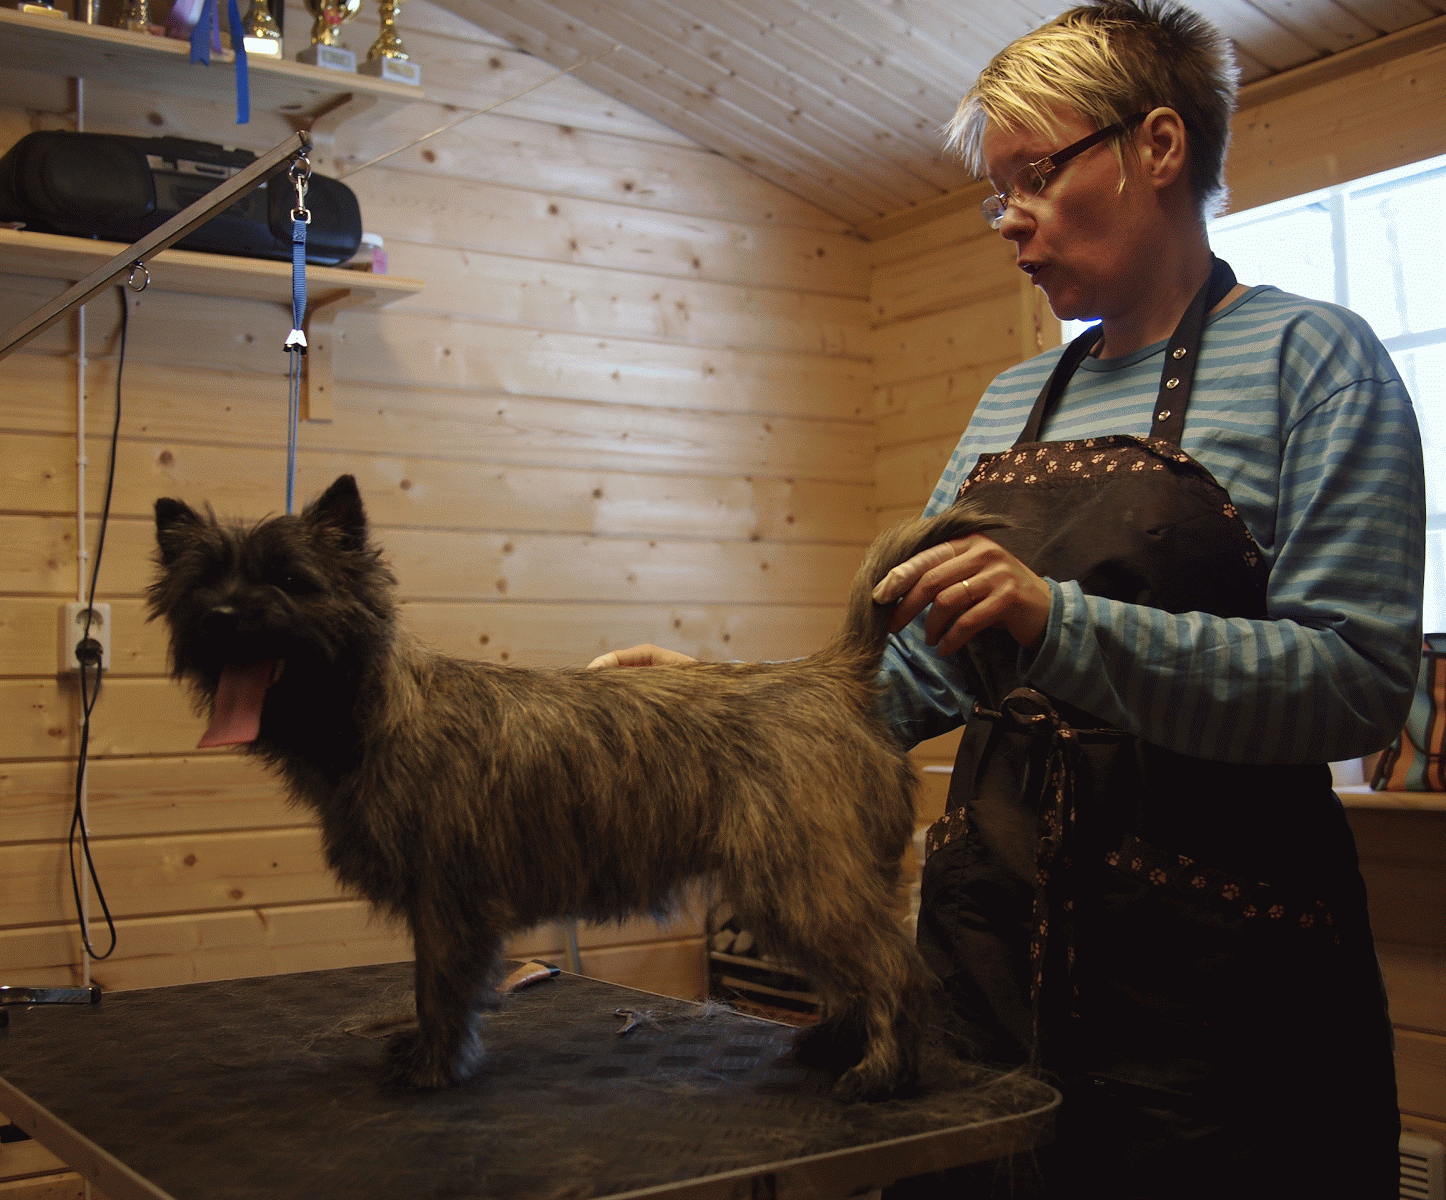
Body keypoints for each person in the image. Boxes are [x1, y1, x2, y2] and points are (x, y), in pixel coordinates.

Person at [594, 2, 1424, 1195]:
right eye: (997, 195)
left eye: (1034, 177)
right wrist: (731, 714)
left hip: (1215, 992)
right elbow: (912, 674)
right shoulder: (1011, 404)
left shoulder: (1315, 361)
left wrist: (1056, 624)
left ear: (1156, 147)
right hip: (985, 955)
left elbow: (1353, 681)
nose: (1009, 221)